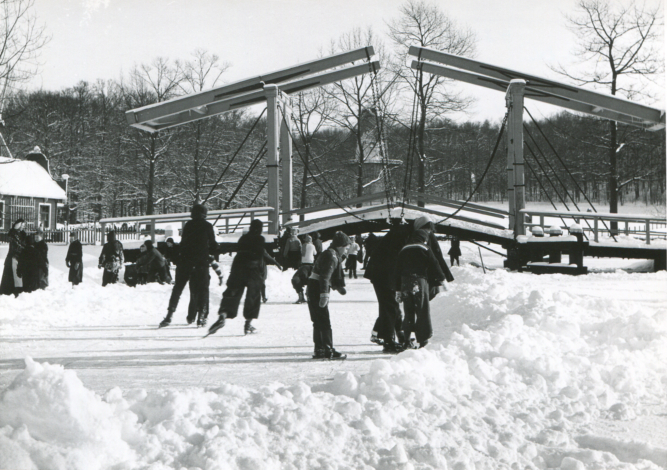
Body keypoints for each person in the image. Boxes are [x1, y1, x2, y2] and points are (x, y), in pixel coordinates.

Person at [208, 219, 281, 336]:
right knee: (253, 297)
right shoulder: (260, 239)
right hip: (252, 270)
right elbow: (262, 254)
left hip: (238, 268)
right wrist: (275, 263)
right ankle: (248, 324)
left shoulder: (243, 238)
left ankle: (223, 315)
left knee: (232, 293)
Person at [159, 204, 217, 328]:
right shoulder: (207, 226)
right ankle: (201, 316)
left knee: (178, 289)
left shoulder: (188, 225)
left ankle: (169, 315)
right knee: (203, 289)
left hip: (185, 261)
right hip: (201, 262)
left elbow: (184, 242)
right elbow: (213, 245)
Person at [364, 223, 412, 353]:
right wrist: (396, 283)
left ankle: (394, 337)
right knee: (389, 307)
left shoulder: (396, 235)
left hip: (381, 275)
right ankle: (388, 341)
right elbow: (395, 261)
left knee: (391, 306)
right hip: (384, 276)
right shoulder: (401, 237)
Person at [395, 229, 445, 350]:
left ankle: (406, 340)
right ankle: (423, 341)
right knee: (422, 311)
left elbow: (397, 270)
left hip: (405, 282)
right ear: (424, 238)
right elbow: (435, 264)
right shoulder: (425, 248)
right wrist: (442, 280)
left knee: (408, 312)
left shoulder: (403, 249)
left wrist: (398, 290)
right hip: (420, 282)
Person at [306, 231, 350, 360]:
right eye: (346, 247)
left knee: (318, 320)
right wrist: (324, 295)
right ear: (340, 246)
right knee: (324, 320)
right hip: (317, 288)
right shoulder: (331, 256)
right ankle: (327, 349)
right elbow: (325, 277)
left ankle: (319, 349)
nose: (347, 250)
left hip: (314, 287)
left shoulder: (331, 254)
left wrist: (337, 286)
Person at [0, 219, 27, 296]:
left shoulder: (22, 234)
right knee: (11, 273)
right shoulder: (13, 234)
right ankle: (9, 291)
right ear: (18, 225)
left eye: (24, 225)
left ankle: (18, 290)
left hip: (20, 256)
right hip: (13, 256)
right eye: (22, 225)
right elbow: (16, 246)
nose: (23, 227)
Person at [291, 233, 316, 304]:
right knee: (310, 279)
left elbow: (302, 254)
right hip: (311, 265)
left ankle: (301, 296)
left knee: (298, 278)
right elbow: (315, 253)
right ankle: (309, 294)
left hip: (303, 265)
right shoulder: (312, 246)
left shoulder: (303, 245)